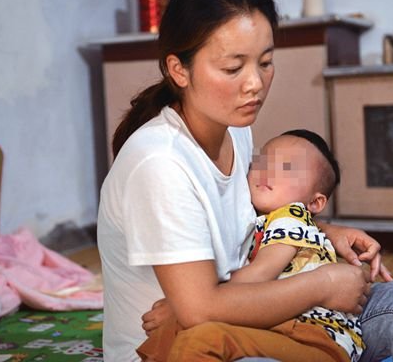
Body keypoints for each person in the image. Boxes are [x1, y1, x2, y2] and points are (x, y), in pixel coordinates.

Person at [97, 0, 393, 362]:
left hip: (256, 315)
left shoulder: (234, 129)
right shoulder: (160, 163)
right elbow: (198, 310)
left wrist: (327, 231)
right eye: (232, 68)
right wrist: (323, 283)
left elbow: (253, 216)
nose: (255, 83)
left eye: (265, 62)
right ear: (179, 70)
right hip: (188, 345)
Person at [137, 129, 364, 362]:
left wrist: (183, 305)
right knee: (181, 337)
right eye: (263, 162)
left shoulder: (292, 215)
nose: (268, 172)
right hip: (279, 329)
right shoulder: (258, 217)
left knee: (203, 338)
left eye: (287, 168)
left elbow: (260, 273)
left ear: (315, 202)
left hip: (313, 337)